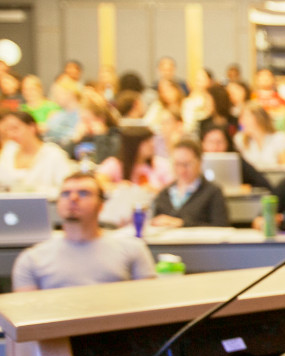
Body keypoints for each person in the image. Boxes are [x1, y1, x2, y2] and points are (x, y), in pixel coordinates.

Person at [11, 173, 156, 291]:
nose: (73, 198)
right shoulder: (31, 259)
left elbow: (149, 308)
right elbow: (27, 319)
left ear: (101, 206)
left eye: (83, 193)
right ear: (57, 204)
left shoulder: (133, 249)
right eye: (66, 194)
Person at [152, 138, 230, 228]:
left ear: (199, 162)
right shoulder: (164, 193)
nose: (182, 170)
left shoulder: (213, 192)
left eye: (187, 164)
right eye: (177, 164)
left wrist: (182, 223)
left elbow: (221, 227)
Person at [0, 109, 73, 193]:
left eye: (15, 128)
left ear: (31, 127)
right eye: (7, 130)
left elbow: (66, 189)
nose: (11, 134)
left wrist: (36, 191)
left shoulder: (53, 154)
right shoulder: (8, 151)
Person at [96, 126, 173, 192]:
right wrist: (118, 187)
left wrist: (157, 190)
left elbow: (172, 188)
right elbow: (99, 181)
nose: (152, 145)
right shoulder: (114, 164)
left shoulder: (160, 164)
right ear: (133, 145)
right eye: (146, 142)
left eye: (151, 140)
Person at [199, 125, 274, 193]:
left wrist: (244, 188)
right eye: (211, 142)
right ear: (203, 144)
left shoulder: (237, 161)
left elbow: (263, 184)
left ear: (227, 143)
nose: (215, 147)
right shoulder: (197, 162)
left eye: (219, 142)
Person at [235, 101, 285, 170]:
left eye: (245, 117)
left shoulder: (278, 138)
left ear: (259, 118)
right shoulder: (240, 139)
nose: (241, 122)